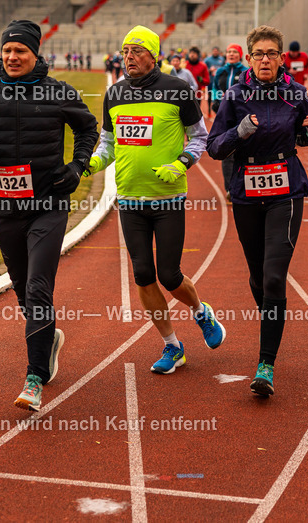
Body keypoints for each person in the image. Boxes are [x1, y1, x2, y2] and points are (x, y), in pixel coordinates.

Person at [0, 20, 98, 411]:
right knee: (22, 290)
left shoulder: (58, 93)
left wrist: (77, 168)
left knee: (38, 286)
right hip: (6, 208)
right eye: (7, 51)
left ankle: (34, 377)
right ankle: (48, 337)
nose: (12, 57)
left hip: (48, 205)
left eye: (20, 51)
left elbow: (89, 129)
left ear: (36, 54)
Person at [85, 26, 225, 374]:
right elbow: (108, 142)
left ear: (153, 55)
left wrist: (180, 164)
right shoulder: (114, 93)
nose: (128, 57)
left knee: (170, 274)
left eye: (136, 51)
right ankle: (172, 346)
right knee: (143, 275)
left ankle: (201, 313)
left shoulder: (178, 91)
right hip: (130, 199)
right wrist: (93, 162)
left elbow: (200, 139)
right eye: (125, 51)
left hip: (167, 199)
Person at [206, 25, 308, 397]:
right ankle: (271, 318)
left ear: (281, 59)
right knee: (257, 276)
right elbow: (214, 147)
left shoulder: (296, 94)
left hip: (286, 190)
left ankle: (266, 364)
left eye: (272, 53)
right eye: (259, 54)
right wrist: (238, 132)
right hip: (246, 191)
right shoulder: (235, 96)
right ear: (250, 58)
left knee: (274, 276)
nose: (266, 60)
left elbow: (305, 134)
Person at [209, 43, 250, 200]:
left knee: (243, 150)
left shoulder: (246, 72)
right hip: (224, 116)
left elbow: (250, 92)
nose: (231, 54)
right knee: (227, 152)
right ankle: (230, 189)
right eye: (229, 52)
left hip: (241, 116)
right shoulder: (220, 71)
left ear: (240, 55)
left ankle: (244, 185)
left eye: (234, 52)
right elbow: (214, 88)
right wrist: (215, 101)